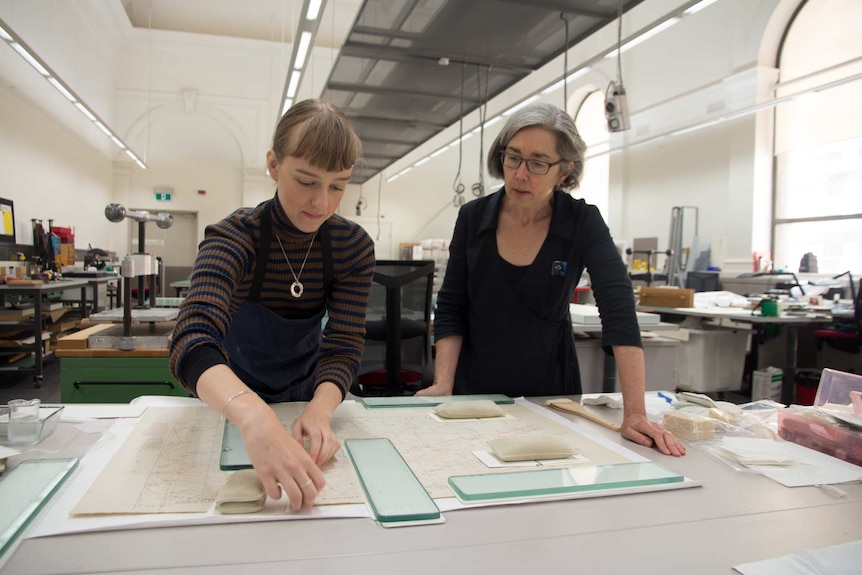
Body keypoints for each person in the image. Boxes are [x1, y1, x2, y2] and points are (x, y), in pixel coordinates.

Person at [417, 102, 684, 457]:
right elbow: (452, 304)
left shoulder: (581, 222)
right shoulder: (473, 218)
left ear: (565, 171)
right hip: (475, 387)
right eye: (513, 157)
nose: (520, 174)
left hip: (551, 390)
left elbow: (618, 310)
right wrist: (442, 384)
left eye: (538, 163)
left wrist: (635, 413)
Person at [169, 99, 377, 510]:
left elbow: (344, 344)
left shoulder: (351, 247)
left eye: (337, 185)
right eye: (306, 180)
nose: (322, 202)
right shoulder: (235, 237)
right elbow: (192, 340)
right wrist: (252, 416)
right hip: (227, 402)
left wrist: (320, 410)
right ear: (273, 165)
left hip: (305, 398)